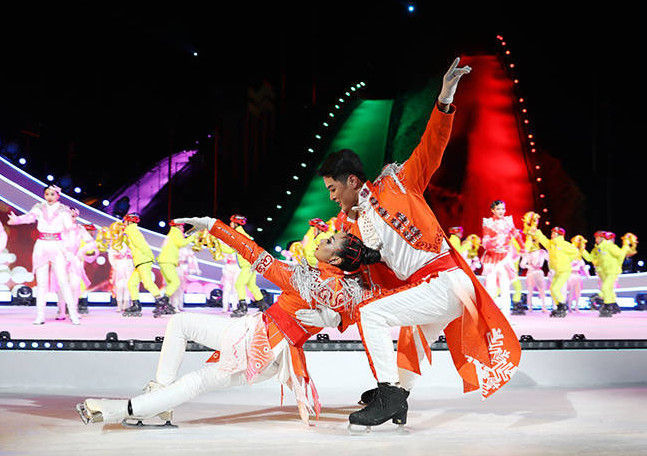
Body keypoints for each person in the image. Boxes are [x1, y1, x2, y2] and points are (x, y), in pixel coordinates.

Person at [314, 58, 520, 428]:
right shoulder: (350, 225)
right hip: (433, 287)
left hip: (445, 280)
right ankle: (399, 397)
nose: (331, 197)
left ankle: (389, 394)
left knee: (373, 315)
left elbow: (431, 146)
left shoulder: (398, 184)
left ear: (352, 181)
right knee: (412, 339)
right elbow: (350, 267)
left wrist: (445, 98)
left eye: (332, 188)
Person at [76, 217, 378, 428]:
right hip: (253, 334)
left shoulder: (304, 280)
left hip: (263, 348)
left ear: (336, 260)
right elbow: (362, 306)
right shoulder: (340, 288)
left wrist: (214, 226)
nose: (322, 239)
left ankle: (124, 409)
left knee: (198, 378)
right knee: (180, 324)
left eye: (329, 240)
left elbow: (254, 253)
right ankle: (157, 402)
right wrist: (340, 317)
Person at [7, 185, 80, 325]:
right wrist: (17, 220)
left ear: (58, 195)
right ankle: (40, 316)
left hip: (57, 245)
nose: (49, 197)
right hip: (41, 245)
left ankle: (73, 314)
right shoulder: (39, 207)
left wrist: (70, 246)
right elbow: (29, 217)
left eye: (52, 194)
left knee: (63, 281)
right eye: (47, 194)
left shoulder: (64, 210)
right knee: (41, 283)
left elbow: (69, 228)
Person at [121, 213, 169, 317]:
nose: (123, 223)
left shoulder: (131, 230)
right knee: (132, 283)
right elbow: (134, 245)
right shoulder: (131, 231)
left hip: (143, 260)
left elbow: (141, 245)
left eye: (125, 221)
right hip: (140, 261)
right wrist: (124, 240)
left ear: (128, 221)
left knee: (147, 282)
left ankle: (161, 302)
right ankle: (136, 305)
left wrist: (149, 256)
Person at [218, 215, 266, 317]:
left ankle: (243, 308)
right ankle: (264, 306)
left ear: (236, 224)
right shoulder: (243, 234)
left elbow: (230, 250)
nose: (230, 224)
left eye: (231, 222)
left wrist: (218, 244)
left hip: (247, 265)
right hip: (251, 264)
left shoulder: (238, 235)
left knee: (239, 284)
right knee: (252, 286)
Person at [481, 200, 522, 318]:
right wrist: (492, 247)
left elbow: (516, 235)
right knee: (491, 288)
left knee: (505, 288)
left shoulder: (508, 221)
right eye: (498, 209)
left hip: (504, 259)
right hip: (492, 259)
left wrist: (523, 248)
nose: (501, 211)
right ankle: (489, 317)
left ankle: (506, 317)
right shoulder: (488, 223)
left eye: (503, 209)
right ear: (492, 210)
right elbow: (486, 241)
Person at [528, 226, 579, 317]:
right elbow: (542, 239)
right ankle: (559, 306)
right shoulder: (550, 244)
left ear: (559, 235)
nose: (552, 235)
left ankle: (562, 305)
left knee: (556, 289)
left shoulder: (564, 244)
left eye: (554, 233)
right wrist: (536, 231)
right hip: (557, 271)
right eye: (552, 233)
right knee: (552, 289)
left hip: (564, 270)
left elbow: (575, 252)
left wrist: (567, 260)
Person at [157, 220, 197, 314]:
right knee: (175, 283)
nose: (183, 229)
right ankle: (163, 300)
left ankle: (169, 305)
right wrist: (194, 237)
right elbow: (181, 243)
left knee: (171, 285)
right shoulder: (176, 232)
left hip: (166, 262)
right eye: (182, 227)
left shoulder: (171, 234)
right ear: (178, 227)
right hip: (168, 261)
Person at [566, 235, 590, 312]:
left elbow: (583, 265)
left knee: (578, 291)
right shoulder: (569, 250)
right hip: (571, 274)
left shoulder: (579, 255)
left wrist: (587, 274)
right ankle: (569, 306)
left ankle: (576, 306)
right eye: (577, 240)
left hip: (577, 274)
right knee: (571, 291)